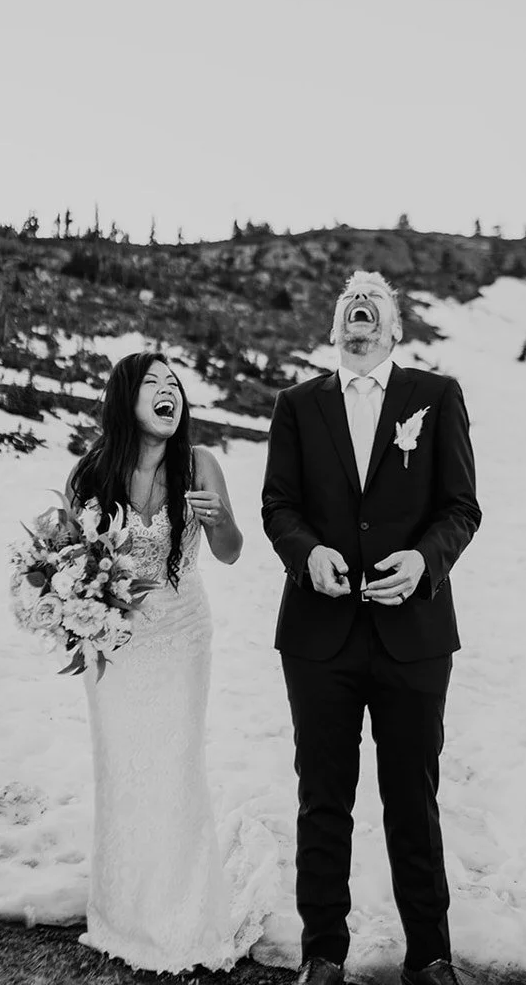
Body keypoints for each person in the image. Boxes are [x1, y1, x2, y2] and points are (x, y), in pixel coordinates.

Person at [261, 271, 482, 985]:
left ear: (393, 327)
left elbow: (460, 507)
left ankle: (431, 954)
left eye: (373, 303)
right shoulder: (298, 405)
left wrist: (424, 561)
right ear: (336, 328)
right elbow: (278, 506)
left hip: (413, 635)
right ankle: (323, 952)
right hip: (318, 636)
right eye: (347, 304)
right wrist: (307, 553)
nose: (358, 310)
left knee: (412, 797)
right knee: (322, 797)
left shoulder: (435, 397)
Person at [65, 351, 270, 972]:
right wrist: (77, 609)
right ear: (125, 399)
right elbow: (72, 568)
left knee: (175, 765)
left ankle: (181, 915)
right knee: (123, 767)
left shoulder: (199, 464)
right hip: (117, 642)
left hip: (182, 635)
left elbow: (231, 553)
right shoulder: (91, 473)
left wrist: (221, 520)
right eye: (152, 383)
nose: (167, 392)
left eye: (174, 384)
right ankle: (123, 910)